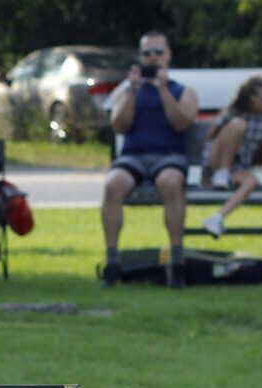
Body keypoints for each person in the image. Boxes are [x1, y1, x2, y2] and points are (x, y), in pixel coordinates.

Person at [100, 29, 199, 289]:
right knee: (112, 184)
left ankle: (176, 261)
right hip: (133, 157)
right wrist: (133, 92)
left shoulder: (183, 91)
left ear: (168, 55)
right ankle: (112, 262)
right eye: (147, 53)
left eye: (158, 52)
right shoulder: (127, 90)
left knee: (171, 183)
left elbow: (181, 123)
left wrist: (163, 89)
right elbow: (119, 126)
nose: (153, 57)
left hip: (168, 157)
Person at [197, 75, 262, 239]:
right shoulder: (234, 112)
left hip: (237, 167)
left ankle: (218, 218)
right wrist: (205, 173)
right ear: (251, 98)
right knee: (238, 125)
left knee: (252, 181)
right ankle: (222, 172)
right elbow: (211, 137)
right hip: (216, 161)